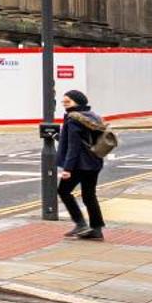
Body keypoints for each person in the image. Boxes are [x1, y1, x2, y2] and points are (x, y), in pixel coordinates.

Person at [56, 89, 108, 239]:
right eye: (63, 102)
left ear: (77, 102)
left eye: (68, 102)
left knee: (63, 191)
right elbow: (83, 140)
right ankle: (97, 230)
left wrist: (67, 169)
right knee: (89, 195)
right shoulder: (93, 116)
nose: (65, 105)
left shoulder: (73, 118)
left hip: (79, 164)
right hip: (95, 161)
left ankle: (80, 224)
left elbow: (74, 147)